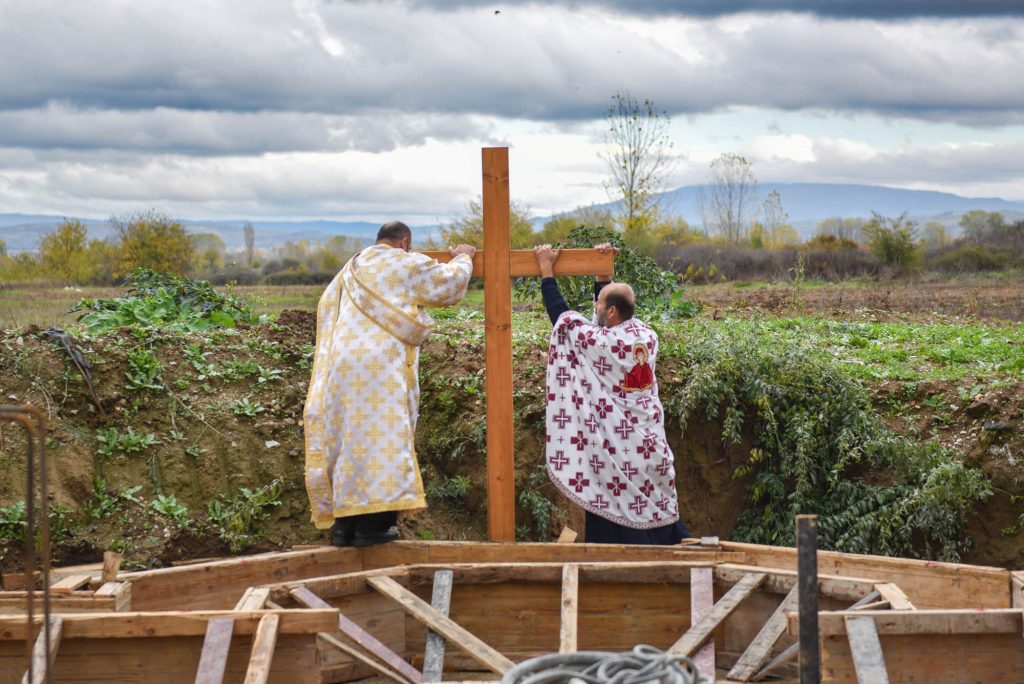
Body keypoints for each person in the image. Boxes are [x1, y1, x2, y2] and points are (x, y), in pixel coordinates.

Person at [304, 221, 476, 547]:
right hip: (379, 366)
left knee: (349, 443)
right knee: (384, 442)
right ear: (404, 242)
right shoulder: (403, 261)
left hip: (341, 367)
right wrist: (464, 258)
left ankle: (344, 527)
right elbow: (448, 285)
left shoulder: (352, 266)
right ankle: (374, 528)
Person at [534, 243, 691, 545]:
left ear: (612, 311)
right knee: (653, 499)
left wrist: (546, 270)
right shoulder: (647, 336)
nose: (594, 308)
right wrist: (602, 276)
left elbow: (562, 319)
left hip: (619, 447)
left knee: (613, 499)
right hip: (649, 443)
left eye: (599, 304)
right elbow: (603, 323)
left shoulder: (601, 343)